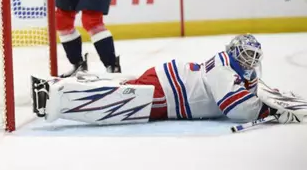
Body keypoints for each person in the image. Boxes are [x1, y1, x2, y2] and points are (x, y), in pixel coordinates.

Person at [31, 34, 302, 125]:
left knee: (125, 89)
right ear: (234, 53)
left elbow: (248, 92)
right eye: (245, 57)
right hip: (169, 92)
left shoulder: (229, 65)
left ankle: (72, 85)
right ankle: (59, 97)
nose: (249, 63)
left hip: (168, 80)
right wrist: (270, 110)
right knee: (120, 104)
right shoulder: (223, 71)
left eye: (252, 58)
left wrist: (269, 100)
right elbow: (237, 109)